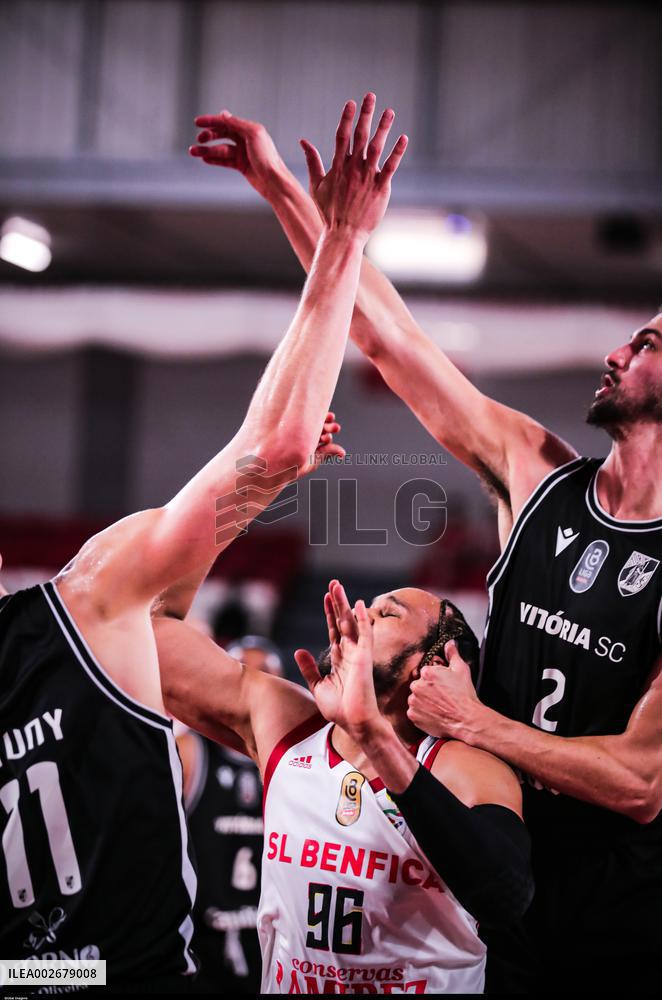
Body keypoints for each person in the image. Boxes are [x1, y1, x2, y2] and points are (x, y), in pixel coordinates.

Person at [190, 107, 662, 993]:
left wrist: (476, 723)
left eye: (647, 345)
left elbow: (641, 782)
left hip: (621, 926)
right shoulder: (540, 475)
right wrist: (305, 207)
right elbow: (390, 340)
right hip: (493, 883)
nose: (617, 351)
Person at [0, 94, 404, 991]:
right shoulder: (90, 597)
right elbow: (284, 444)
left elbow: (165, 625)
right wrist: (341, 236)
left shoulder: (104, 614)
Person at [156, 579, 533, 995]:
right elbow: (145, 644)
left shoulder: (462, 767)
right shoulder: (288, 726)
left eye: (386, 614)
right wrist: (224, 514)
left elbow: (505, 898)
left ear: (430, 664)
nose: (359, 615)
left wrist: (373, 735)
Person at [177, 636, 284, 995]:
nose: (251, 681)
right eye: (240, 670)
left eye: (264, 673)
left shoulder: (301, 761)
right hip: (202, 949)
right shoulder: (190, 750)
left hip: (278, 954)